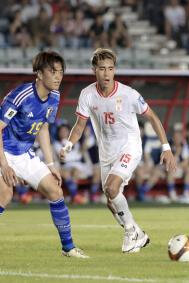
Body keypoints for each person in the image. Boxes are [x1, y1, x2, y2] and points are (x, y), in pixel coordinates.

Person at [60, 48, 176, 253]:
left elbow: (153, 117)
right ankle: (139, 234)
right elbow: (79, 125)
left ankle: (131, 231)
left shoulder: (129, 94)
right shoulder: (87, 95)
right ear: (94, 69)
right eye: (102, 69)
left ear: (115, 70)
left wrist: (166, 147)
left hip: (129, 146)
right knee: (110, 200)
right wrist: (68, 145)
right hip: (107, 153)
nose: (106, 73)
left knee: (112, 189)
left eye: (110, 69)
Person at [0, 51, 88, 258]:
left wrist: (51, 164)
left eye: (61, 72)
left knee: (55, 191)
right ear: (39, 74)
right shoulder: (21, 96)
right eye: (53, 71)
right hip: (3, 150)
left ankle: (68, 248)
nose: (58, 76)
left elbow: (43, 129)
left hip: (24, 153)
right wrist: (4, 165)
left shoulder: (54, 97)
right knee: (5, 194)